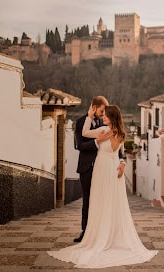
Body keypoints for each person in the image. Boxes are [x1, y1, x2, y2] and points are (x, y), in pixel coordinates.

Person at [48, 105, 158, 269]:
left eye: (106, 116)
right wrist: (121, 163)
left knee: (103, 202)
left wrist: (90, 116)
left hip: (106, 168)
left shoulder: (103, 130)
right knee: (109, 202)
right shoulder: (120, 133)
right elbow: (120, 155)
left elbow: (85, 133)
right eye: (103, 115)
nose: (103, 117)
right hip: (112, 169)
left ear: (112, 117)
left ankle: (102, 236)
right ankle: (109, 236)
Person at [72, 96, 125, 243]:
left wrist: (122, 161)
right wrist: (97, 142)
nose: (103, 114)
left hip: (105, 168)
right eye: (102, 111)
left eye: (105, 112)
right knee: (88, 199)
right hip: (87, 167)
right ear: (94, 107)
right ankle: (86, 232)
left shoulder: (106, 123)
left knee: (104, 200)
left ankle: (103, 232)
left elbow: (117, 148)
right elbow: (80, 146)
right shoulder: (81, 122)